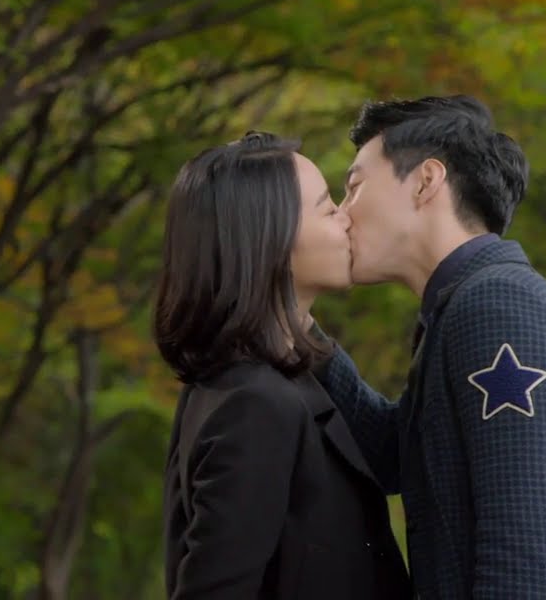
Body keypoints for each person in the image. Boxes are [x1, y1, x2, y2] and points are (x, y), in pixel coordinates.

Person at [311, 95, 546, 598]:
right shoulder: (465, 304)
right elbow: (397, 456)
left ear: (426, 180)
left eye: (354, 187)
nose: (345, 214)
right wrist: (303, 336)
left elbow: (520, 564)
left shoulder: (497, 305)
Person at [157, 131, 412, 600]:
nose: (346, 217)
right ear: (269, 241)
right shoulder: (255, 403)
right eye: (326, 208)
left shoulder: (240, 383)